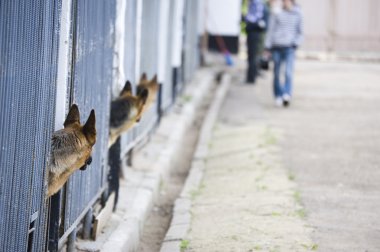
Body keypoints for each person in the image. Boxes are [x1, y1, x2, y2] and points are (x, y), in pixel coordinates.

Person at [264, 0, 303, 107]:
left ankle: (286, 94)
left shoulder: (298, 13)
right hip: (276, 47)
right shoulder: (276, 12)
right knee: (276, 73)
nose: (284, 2)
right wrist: (267, 46)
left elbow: (300, 32)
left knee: (288, 72)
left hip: (289, 47)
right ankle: (278, 95)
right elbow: (270, 30)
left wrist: (296, 43)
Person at [245, 0, 268, 84]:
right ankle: (251, 76)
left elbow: (256, 19)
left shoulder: (257, 3)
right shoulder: (253, 3)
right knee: (251, 55)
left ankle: (251, 78)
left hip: (255, 33)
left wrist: (246, 18)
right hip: (253, 32)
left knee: (253, 55)